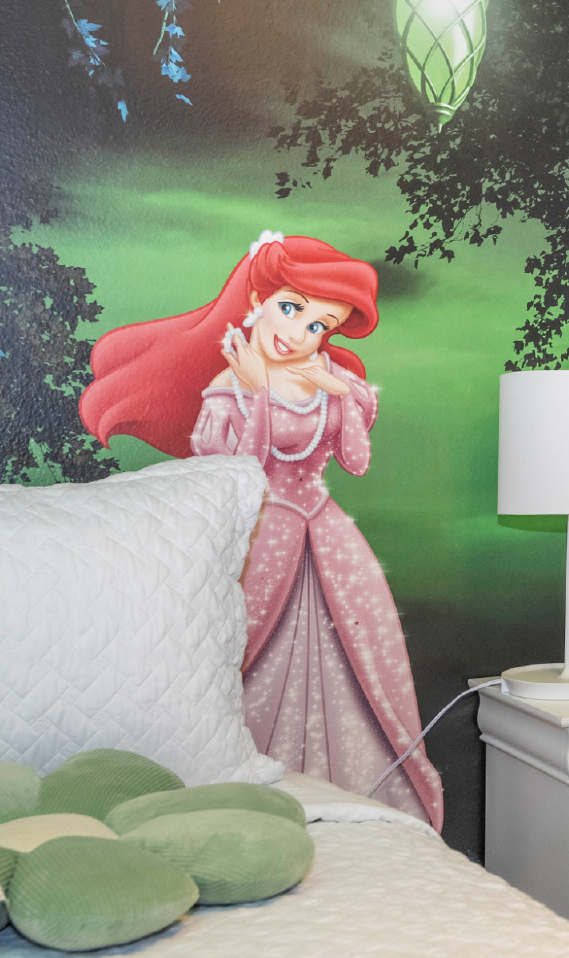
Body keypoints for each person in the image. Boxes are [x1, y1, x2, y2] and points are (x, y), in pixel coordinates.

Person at [79, 232, 443, 829]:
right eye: (292, 308)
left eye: (319, 325)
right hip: (257, 540)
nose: (298, 333)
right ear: (258, 298)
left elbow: (355, 461)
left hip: (329, 539)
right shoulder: (227, 388)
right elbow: (238, 475)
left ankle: (350, 792)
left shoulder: (330, 379)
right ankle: (234, 790)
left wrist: (338, 392)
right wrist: (261, 393)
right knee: (235, 655)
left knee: (357, 664)